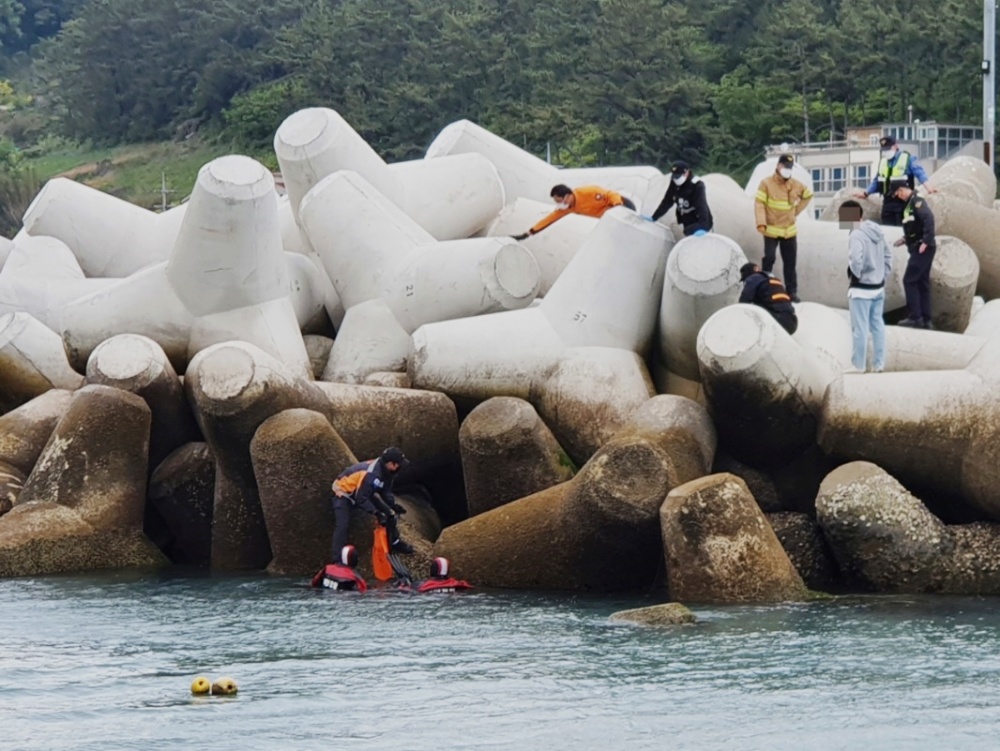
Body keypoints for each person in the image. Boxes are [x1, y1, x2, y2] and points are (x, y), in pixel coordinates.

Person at [330, 446, 414, 560]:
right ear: (390, 464)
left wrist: (393, 505)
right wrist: (376, 513)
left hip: (364, 492)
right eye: (398, 464)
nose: (400, 467)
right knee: (342, 525)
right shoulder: (372, 475)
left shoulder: (388, 473)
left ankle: (395, 542)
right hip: (343, 493)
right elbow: (360, 499)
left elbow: (385, 491)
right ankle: (337, 560)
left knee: (390, 514)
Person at [840, 200, 892, 372]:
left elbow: (856, 259)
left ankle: (858, 365)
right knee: (878, 326)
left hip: (861, 289)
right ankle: (879, 364)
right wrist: (883, 274)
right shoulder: (876, 230)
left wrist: (856, 275)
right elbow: (887, 254)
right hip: (878, 286)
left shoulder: (855, 234)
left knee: (859, 329)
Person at [754, 154, 813, 302]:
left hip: (789, 231)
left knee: (790, 262)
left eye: (790, 168)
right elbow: (759, 204)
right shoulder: (766, 183)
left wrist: (796, 211)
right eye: (785, 167)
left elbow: (808, 195)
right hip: (772, 230)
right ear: (779, 166)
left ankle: (791, 291)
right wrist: (761, 222)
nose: (787, 170)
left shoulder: (795, 184)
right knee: (769, 258)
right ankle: (764, 288)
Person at [854, 135, 937, 227]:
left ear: (895, 146)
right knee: (887, 230)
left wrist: (928, 187)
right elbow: (877, 181)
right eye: (884, 150)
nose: (886, 152)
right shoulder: (883, 162)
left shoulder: (908, 158)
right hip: (887, 203)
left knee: (902, 230)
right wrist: (866, 193)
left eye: (888, 149)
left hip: (903, 202)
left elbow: (920, 173)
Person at [511, 184, 635, 240]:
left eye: (560, 201)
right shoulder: (568, 208)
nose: (560, 205)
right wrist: (529, 233)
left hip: (623, 207)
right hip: (609, 217)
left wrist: (618, 207)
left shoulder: (588, 192)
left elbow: (611, 194)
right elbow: (549, 219)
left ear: (568, 196)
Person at [891, 184, 936, 329]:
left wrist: (926, 241)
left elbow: (929, 219)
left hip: (922, 248)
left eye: (899, 192)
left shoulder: (917, 201)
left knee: (909, 280)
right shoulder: (909, 205)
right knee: (922, 283)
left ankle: (915, 317)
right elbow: (915, 226)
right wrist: (905, 239)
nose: (899, 196)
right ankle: (926, 319)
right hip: (918, 246)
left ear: (903, 189)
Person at [649, 160, 713, 236]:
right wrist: (654, 217)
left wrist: (703, 227)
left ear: (686, 173)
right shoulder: (674, 182)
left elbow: (702, 206)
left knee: (690, 232)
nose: (676, 180)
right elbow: (667, 201)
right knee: (687, 232)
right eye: (674, 177)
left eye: (678, 176)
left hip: (699, 219)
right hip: (686, 218)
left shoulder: (697, 185)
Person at [739, 262, 798, 335]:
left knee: (749, 313)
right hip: (792, 322)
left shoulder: (753, 278)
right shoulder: (771, 278)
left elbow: (744, 301)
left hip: (777, 320)